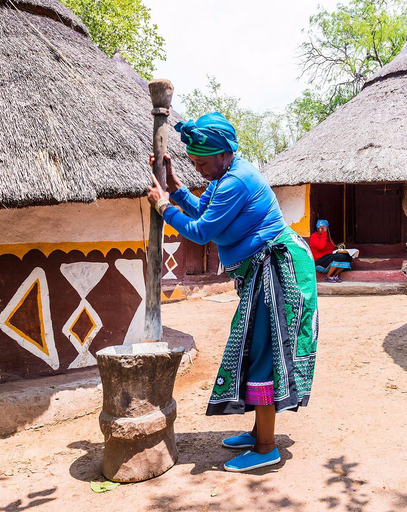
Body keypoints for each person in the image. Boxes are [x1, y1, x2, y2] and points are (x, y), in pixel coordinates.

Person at [146, 112, 318, 473]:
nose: (200, 169)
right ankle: (259, 432)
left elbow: (200, 231)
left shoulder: (235, 181)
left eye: (203, 163)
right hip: (262, 271)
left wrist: (163, 206)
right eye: (193, 163)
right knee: (256, 349)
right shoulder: (225, 175)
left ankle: (266, 447)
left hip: (277, 270)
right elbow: (202, 210)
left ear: (224, 153)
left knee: (264, 353)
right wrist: (176, 188)